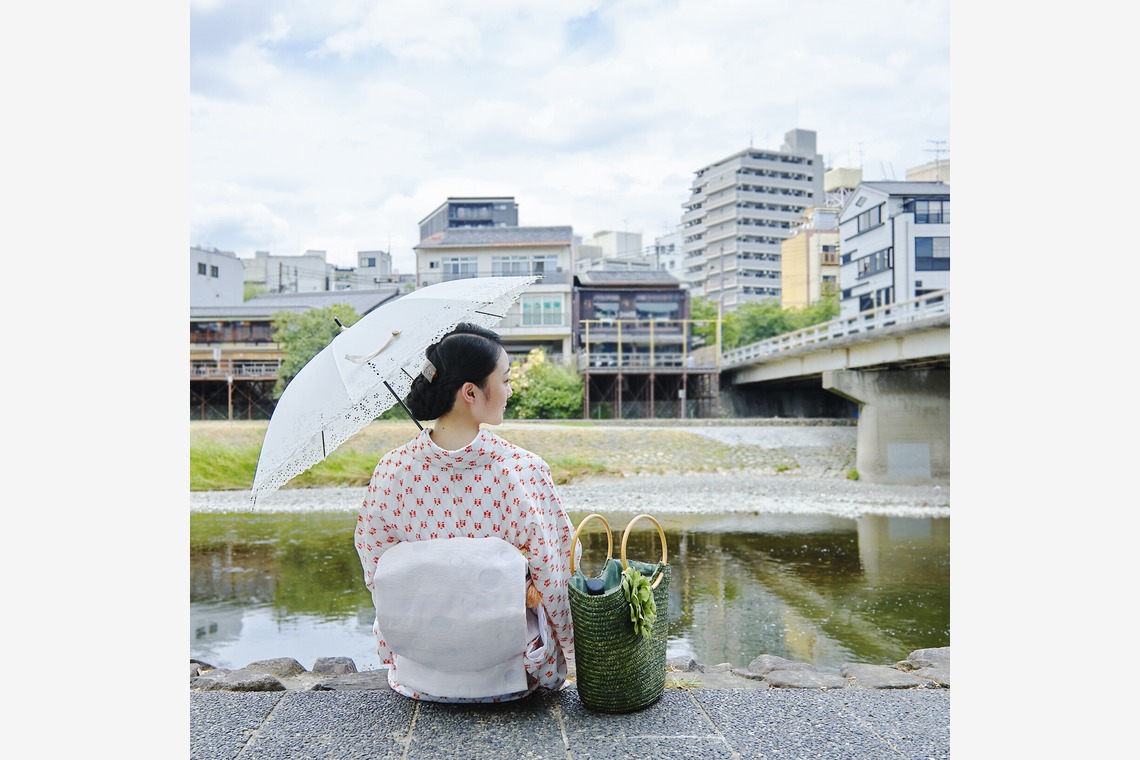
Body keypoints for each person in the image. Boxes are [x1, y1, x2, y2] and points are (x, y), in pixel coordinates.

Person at [353, 323, 576, 703]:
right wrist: (569, 654)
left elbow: (376, 571)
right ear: (470, 392)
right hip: (513, 672)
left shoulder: (392, 470)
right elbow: (556, 573)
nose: (509, 390)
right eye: (504, 380)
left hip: (419, 671)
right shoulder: (521, 470)